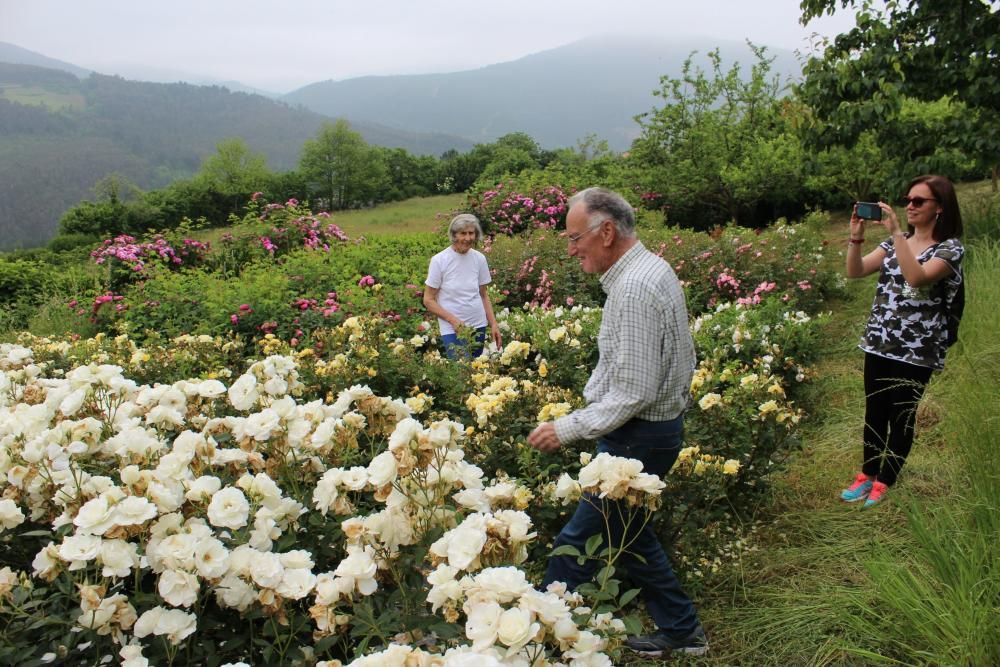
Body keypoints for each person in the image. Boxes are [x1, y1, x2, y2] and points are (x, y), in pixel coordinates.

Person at [526, 187, 707, 657]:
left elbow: (633, 392)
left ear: (606, 232)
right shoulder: (653, 268)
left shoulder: (633, 289)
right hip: (652, 431)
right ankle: (682, 630)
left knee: (576, 540)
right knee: (627, 533)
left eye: (574, 238)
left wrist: (565, 427)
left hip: (638, 437)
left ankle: (537, 640)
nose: (571, 250)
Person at [840, 175, 965, 508]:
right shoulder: (897, 242)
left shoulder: (950, 249)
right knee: (875, 411)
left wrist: (896, 234)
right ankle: (866, 473)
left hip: (917, 350)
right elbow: (855, 272)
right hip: (879, 341)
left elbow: (917, 277)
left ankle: (886, 479)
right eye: (907, 199)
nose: (909, 205)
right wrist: (855, 240)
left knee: (902, 415)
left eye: (918, 201)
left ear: (940, 207)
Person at [423, 213, 502, 359]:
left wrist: (493, 324)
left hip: (478, 325)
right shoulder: (439, 261)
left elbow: (483, 295)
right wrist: (453, 321)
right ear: (454, 235)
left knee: (477, 370)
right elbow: (428, 300)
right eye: (463, 233)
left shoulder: (479, 259)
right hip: (452, 327)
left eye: (471, 233)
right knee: (462, 369)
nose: (467, 238)